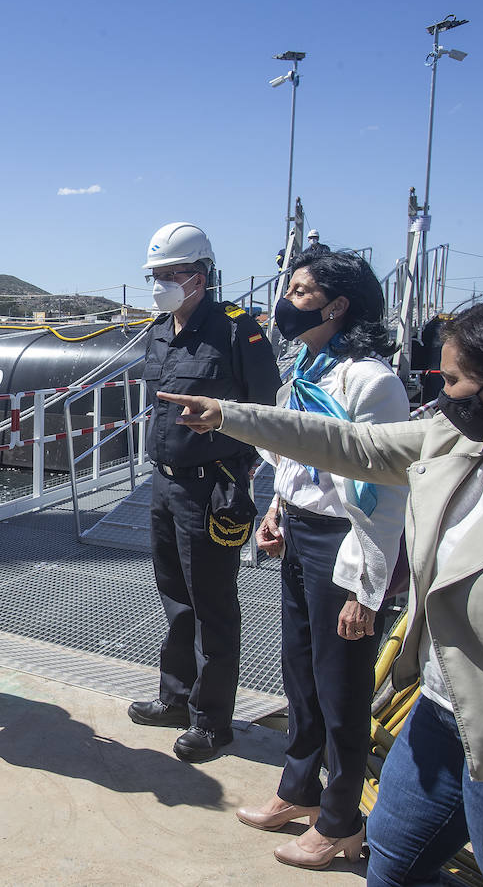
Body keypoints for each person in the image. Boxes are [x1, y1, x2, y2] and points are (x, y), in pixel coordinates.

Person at [159, 290, 483, 886]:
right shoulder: (462, 441)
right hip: (440, 711)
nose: (441, 393)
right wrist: (232, 416)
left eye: (452, 380)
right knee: (393, 865)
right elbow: (355, 445)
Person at [232, 251, 409, 869]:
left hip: (346, 540)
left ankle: (341, 822)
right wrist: (278, 507)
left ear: (337, 307)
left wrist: (367, 587)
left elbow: (386, 491)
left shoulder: (371, 381)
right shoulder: (308, 365)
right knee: (301, 672)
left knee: (341, 686)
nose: (288, 298)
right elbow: (291, 447)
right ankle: (299, 788)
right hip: (300, 529)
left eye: (302, 290)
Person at [126, 222, 282, 762]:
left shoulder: (239, 330)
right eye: (155, 275)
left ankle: (213, 721)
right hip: (164, 486)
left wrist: (228, 445)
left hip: (212, 488)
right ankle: (175, 697)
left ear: (201, 276)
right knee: (175, 600)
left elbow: (269, 416)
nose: (160, 284)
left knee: (213, 606)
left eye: (170, 275)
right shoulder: (160, 329)